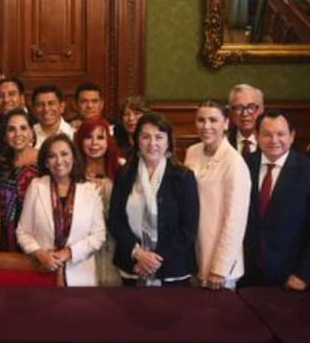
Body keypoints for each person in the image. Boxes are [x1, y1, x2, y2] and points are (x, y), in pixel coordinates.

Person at [241, 110, 310, 291]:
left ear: (292, 136)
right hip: (246, 273)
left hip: (290, 276)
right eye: (267, 134)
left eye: (280, 134)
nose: (274, 140)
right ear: (257, 136)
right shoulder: (243, 165)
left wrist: (303, 274)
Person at [109, 113, 198, 287]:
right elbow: (115, 220)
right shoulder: (124, 174)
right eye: (146, 137)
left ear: (168, 141)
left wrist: (153, 261)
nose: (152, 143)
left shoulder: (183, 177)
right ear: (137, 141)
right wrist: (138, 254)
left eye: (159, 137)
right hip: (132, 264)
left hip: (172, 269)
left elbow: (188, 229)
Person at [17, 134, 106, 286]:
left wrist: (70, 253)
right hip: (43, 270)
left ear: (74, 158)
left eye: (64, 154)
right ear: (46, 162)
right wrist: (40, 254)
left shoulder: (90, 190)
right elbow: (23, 232)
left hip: (80, 275)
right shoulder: (36, 186)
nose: (59, 161)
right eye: (52, 156)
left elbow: (99, 235)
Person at [184, 100, 250, 290]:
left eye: (213, 120)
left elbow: (235, 221)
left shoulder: (234, 163)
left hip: (220, 264)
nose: (206, 126)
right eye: (201, 120)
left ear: (226, 123)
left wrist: (220, 268)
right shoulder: (192, 152)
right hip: (193, 251)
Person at [75, 116, 122, 286]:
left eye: (100, 137)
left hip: (114, 245)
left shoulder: (120, 169)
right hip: (81, 246)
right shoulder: (72, 171)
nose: (94, 143)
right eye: (88, 137)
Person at [0, 109, 39, 252]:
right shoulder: (1, 166)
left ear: (32, 133)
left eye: (23, 128)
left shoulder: (45, 163)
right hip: (7, 237)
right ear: (5, 136)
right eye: (11, 129)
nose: (18, 134)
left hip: (37, 237)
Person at [0, 76, 26, 152]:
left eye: (11, 94)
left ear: (22, 98)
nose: (6, 100)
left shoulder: (34, 123)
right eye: (1, 96)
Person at [227, 84, 263, 156]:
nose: (245, 113)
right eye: (239, 108)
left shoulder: (272, 142)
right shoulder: (223, 142)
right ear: (231, 111)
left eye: (251, 107)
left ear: (261, 109)